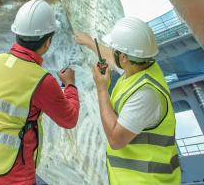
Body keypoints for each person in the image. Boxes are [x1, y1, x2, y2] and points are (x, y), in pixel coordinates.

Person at [0, 0, 80, 185]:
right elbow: (69, 119)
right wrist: (70, 85)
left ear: (16, 32)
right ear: (48, 42)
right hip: (12, 178)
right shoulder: (41, 80)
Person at [75, 17, 181, 184]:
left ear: (124, 57)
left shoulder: (145, 94)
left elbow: (116, 140)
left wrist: (102, 89)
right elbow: (112, 57)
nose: (112, 51)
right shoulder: (141, 67)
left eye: (115, 49)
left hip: (145, 181)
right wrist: (89, 42)